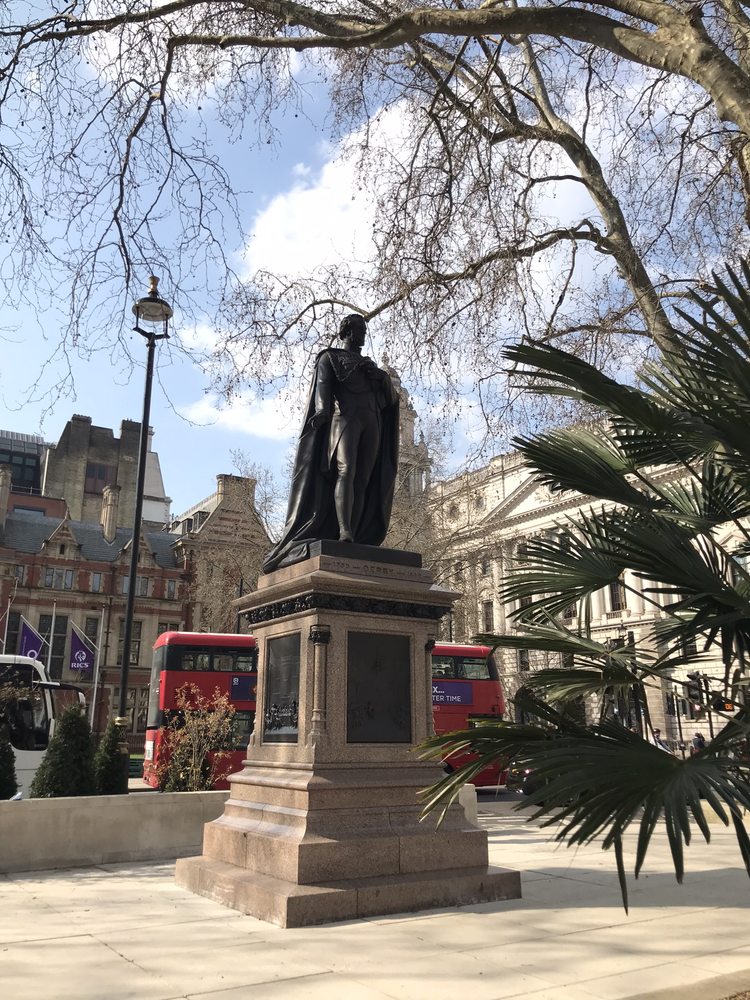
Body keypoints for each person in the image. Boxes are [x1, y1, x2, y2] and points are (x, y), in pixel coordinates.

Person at [262, 314, 399, 573]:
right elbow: (322, 390)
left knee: (364, 481)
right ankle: (344, 531)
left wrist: (382, 379)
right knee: (346, 471)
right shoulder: (330, 358)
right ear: (346, 331)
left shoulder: (370, 366)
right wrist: (322, 412)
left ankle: (355, 534)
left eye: (364, 329)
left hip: (372, 423)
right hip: (344, 419)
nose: (363, 334)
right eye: (358, 329)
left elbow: (390, 401)